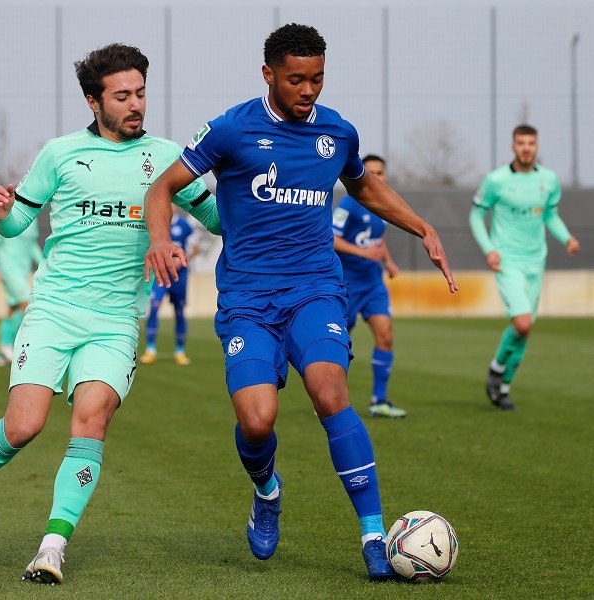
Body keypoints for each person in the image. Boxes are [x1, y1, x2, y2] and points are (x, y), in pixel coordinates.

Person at [144, 23, 457, 581]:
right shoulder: (231, 129)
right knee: (257, 421)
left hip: (315, 288)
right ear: (269, 74)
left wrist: (421, 227)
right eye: (295, 80)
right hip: (246, 299)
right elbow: (161, 187)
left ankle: (372, 534)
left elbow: (362, 186)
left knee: (329, 390)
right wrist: (162, 239)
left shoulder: (337, 133)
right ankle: (267, 492)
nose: (308, 90)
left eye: (316, 79)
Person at [0, 43, 220, 585]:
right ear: (93, 100)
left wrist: (255, 196)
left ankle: (52, 546)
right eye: (122, 95)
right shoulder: (59, 154)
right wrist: (6, 214)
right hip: (55, 310)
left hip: (115, 320)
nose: (136, 105)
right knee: (23, 426)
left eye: (141, 93)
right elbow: (17, 227)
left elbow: (216, 217)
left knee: (91, 421)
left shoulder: (168, 157)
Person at [469, 124, 580, 412]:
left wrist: (566, 238)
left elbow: (550, 216)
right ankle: (496, 368)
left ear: (537, 146)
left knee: (524, 330)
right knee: (523, 322)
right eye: (521, 142)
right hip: (507, 260)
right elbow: (476, 215)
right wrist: (489, 249)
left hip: (536, 261)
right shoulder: (496, 180)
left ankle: (502, 387)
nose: (526, 147)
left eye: (531, 142)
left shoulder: (549, 180)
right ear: (513, 146)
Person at [332, 154, 405, 419]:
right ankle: (331, 400)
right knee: (339, 344)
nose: (376, 177)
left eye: (381, 173)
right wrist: (363, 255)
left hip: (374, 282)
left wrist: (389, 262)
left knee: (385, 334)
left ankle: (379, 400)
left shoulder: (383, 205)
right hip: (347, 282)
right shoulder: (348, 204)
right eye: (370, 172)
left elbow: (377, 240)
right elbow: (331, 238)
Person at [139, 208, 199, 366]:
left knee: (179, 311)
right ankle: (150, 350)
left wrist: (182, 259)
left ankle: (180, 351)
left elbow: (196, 248)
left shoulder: (185, 225)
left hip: (180, 276)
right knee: (155, 307)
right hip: (160, 273)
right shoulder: (158, 225)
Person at [0, 220, 42, 366]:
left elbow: (31, 245)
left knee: (12, 308)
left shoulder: (32, 217)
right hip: (8, 267)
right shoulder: (8, 212)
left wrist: (44, 265)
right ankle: (7, 345)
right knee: (26, 302)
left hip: (22, 269)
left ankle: (1, 352)